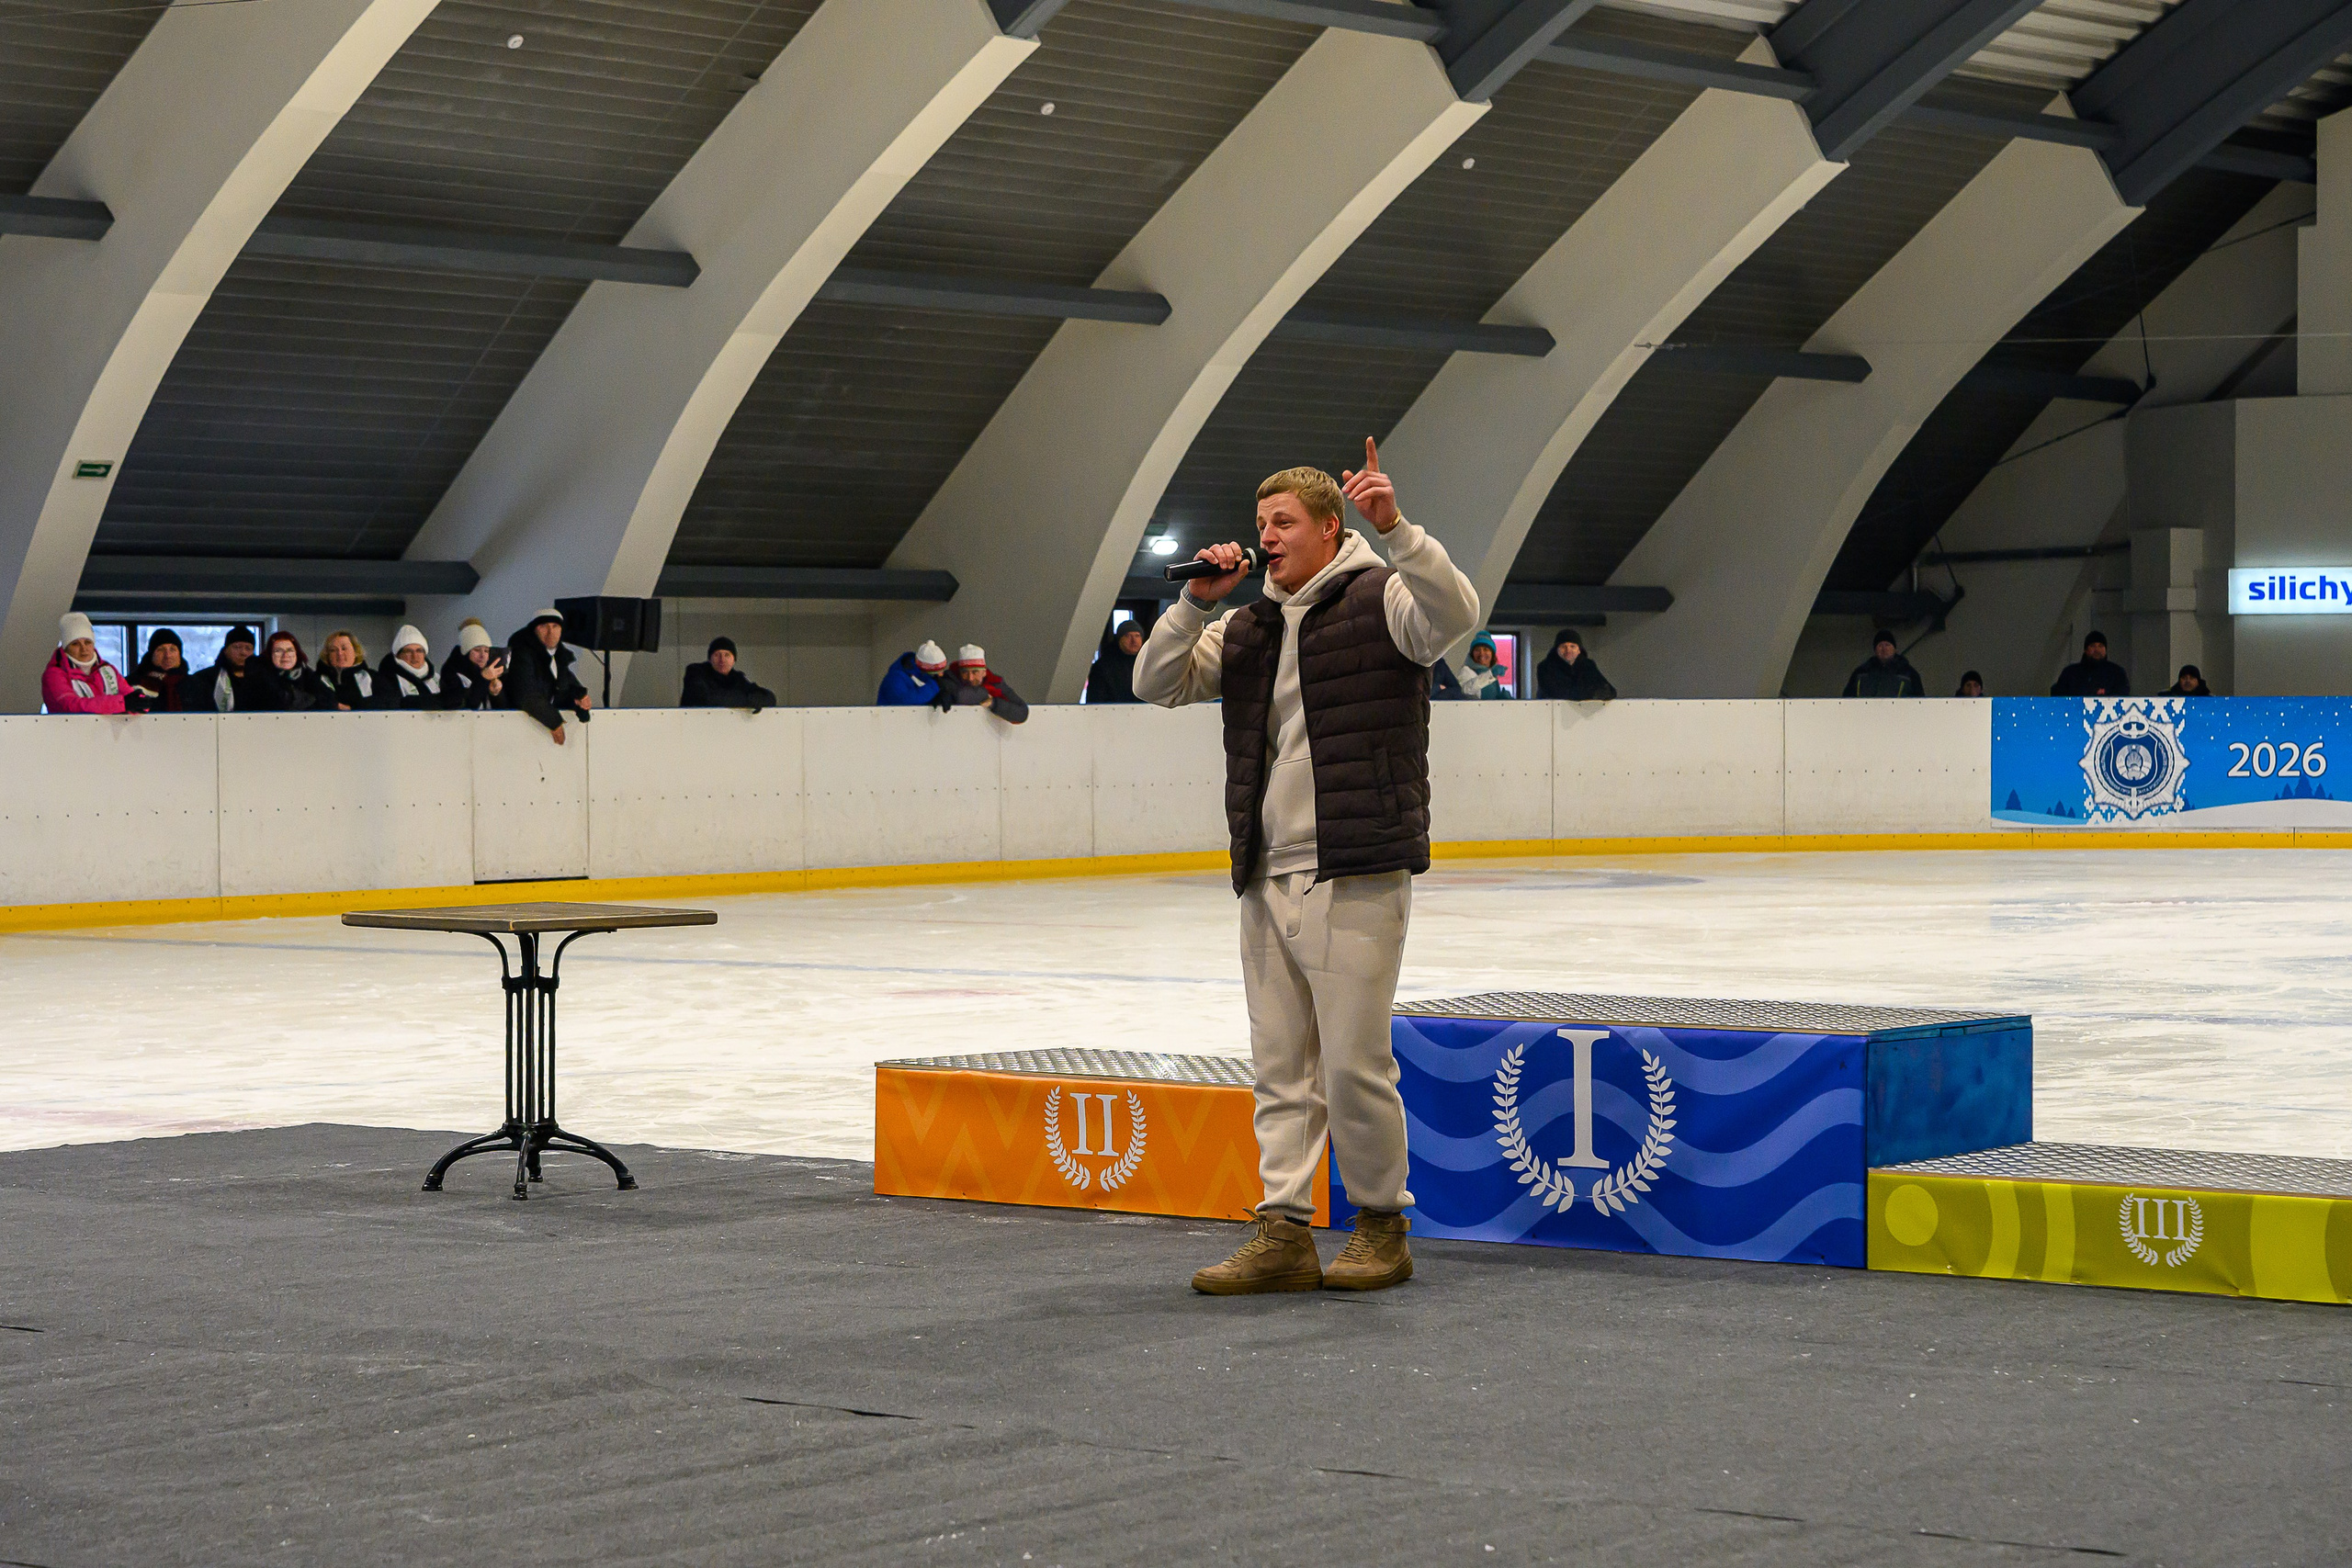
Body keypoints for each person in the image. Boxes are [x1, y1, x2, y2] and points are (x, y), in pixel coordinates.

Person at [1136, 437, 1477, 1296]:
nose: (1268, 535)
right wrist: (1193, 601)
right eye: (1260, 523)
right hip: (1266, 873)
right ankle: (1283, 1227)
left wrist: (1397, 528)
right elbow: (1154, 682)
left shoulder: (1383, 600)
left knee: (1355, 1061)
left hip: (1355, 866)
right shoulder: (1247, 626)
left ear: (1332, 529)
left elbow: (1458, 611)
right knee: (1279, 1065)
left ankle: (1380, 1225)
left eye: (1284, 521)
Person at [505, 609, 590, 743]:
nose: (550, 632)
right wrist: (554, 722)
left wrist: (579, 697)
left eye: (555, 626)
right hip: (518, 730)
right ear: (534, 630)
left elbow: (564, 684)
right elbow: (526, 694)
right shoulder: (521, 654)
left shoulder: (560, 657)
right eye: (544, 626)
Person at [41, 612, 129, 715]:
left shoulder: (108, 670)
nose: (84, 649)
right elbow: (70, 706)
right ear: (66, 649)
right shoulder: (54, 675)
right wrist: (122, 704)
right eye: (75, 644)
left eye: (87, 642)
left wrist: (142, 703)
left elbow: (132, 699)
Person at [681, 636, 777, 708]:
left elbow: (769, 698)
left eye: (727, 655)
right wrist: (747, 700)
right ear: (710, 659)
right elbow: (706, 699)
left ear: (734, 660)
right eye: (717, 655)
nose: (722, 660)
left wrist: (755, 700)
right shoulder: (696, 672)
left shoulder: (737, 678)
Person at [940, 644, 1028, 723]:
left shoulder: (995, 683)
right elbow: (959, 696)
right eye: (965, 673)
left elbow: (1022, 712)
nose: (970, 678)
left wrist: (994, 703)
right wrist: (984, 694)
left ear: (984, 672)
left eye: (975, 672)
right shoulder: (949, 679)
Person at [1534, 628, 1616, 702]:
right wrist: (1589, 693)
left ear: (1579, 650)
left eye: (1572, 646)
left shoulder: (1588, 665)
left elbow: (1609, 690)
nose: (1568, 650)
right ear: (1557, 649)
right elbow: (1556, 692)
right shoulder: (1545, 667)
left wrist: (1599, 693)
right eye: (1563, 647)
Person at [194, 624, 262, 713]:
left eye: (248, 648)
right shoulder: (204, 679)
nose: (243, 653)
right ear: (225, 650)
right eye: (237, 647)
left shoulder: (262, 680)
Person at [442, 621, 506, 711]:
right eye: (477, 650)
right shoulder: (451, 671)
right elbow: (466, 707)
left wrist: (496, 693)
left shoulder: (492, 670)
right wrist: (483, 679)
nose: (482, 656)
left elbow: (502, 711)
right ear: (466, 651)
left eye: (486, 651)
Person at [258, 631, 330, 711]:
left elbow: (329, 702)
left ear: (297, 653)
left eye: (290, 650)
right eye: (278, 651)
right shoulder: (260, 679)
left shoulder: (311, 676)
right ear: (270, 655)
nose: (285, 655)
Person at [126, 629, 193, 714]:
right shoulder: (131, 684)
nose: (167, 655)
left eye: (173, 649)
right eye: (161, 650)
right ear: (152, 654)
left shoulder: (196, 686)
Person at [379, 626, 445, 709]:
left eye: (419, 651)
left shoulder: (437, 679)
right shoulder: (386, 680)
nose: (415, 656)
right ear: (398, 655)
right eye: (408, 652)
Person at [1842, 630, 1924, 697]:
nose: (1884, 649)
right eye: (1880, 645)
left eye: (1887, 645)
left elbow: (1920, 702)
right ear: (1875, 650)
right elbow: (1846, 699)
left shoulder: (1909, 673)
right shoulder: (1861, 672)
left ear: (1894, 649)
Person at [316, 631, 381, 711]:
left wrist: (353, 708)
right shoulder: (317, 679)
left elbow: (389, 701)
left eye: (344, 649)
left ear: (355, 652)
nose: (340, 653)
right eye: (333, 650)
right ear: (327, 655)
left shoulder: (372, 677)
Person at [2052, 631, 2131, 697]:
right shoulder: (2070, 673)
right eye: (2093, 646)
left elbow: (2122, 695)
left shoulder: (2117, 672)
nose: (2097, 650)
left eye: (2101, 646)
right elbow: (2059, 695)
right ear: (2085, 650)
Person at [1087, 618, 1148, 704]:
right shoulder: (1103, 667)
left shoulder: (1147, 664)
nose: (1134, 641)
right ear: (1119, 639)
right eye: (1127, 636)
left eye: (1137, 636)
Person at [877, 641, 949, 705]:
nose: (941, 675)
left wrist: (938, 697)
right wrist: (934, 687)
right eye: (935, 673)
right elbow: (903, 701)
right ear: (924, 669)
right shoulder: (895, 679)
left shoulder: (925, 678)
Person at [1455, 632, 1514, 698]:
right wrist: (1490, 675)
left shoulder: (1491, 673)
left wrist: (1503, 700)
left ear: (1492, 654)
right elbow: (1465, 690)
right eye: (1477, 650)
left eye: (1486, 649)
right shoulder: (1466, 670)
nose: (1481, 653)